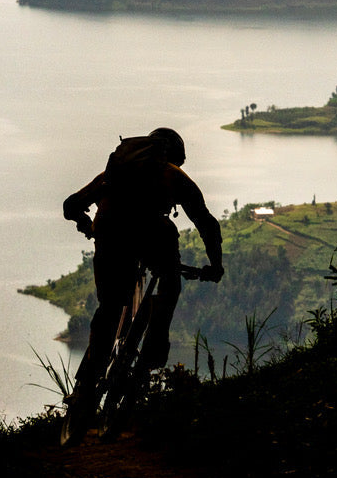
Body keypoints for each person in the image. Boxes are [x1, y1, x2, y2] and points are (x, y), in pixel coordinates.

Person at [63, 127, 224, 398]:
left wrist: (88, 226)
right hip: (152, 233)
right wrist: (216, 265)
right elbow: (206, 224)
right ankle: (154, 346)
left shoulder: (113, 174)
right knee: (169, 282)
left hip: (109, 230)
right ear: (175, 156)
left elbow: (71, 205)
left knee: (109, 306)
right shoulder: (175, 175)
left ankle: (89, 380)